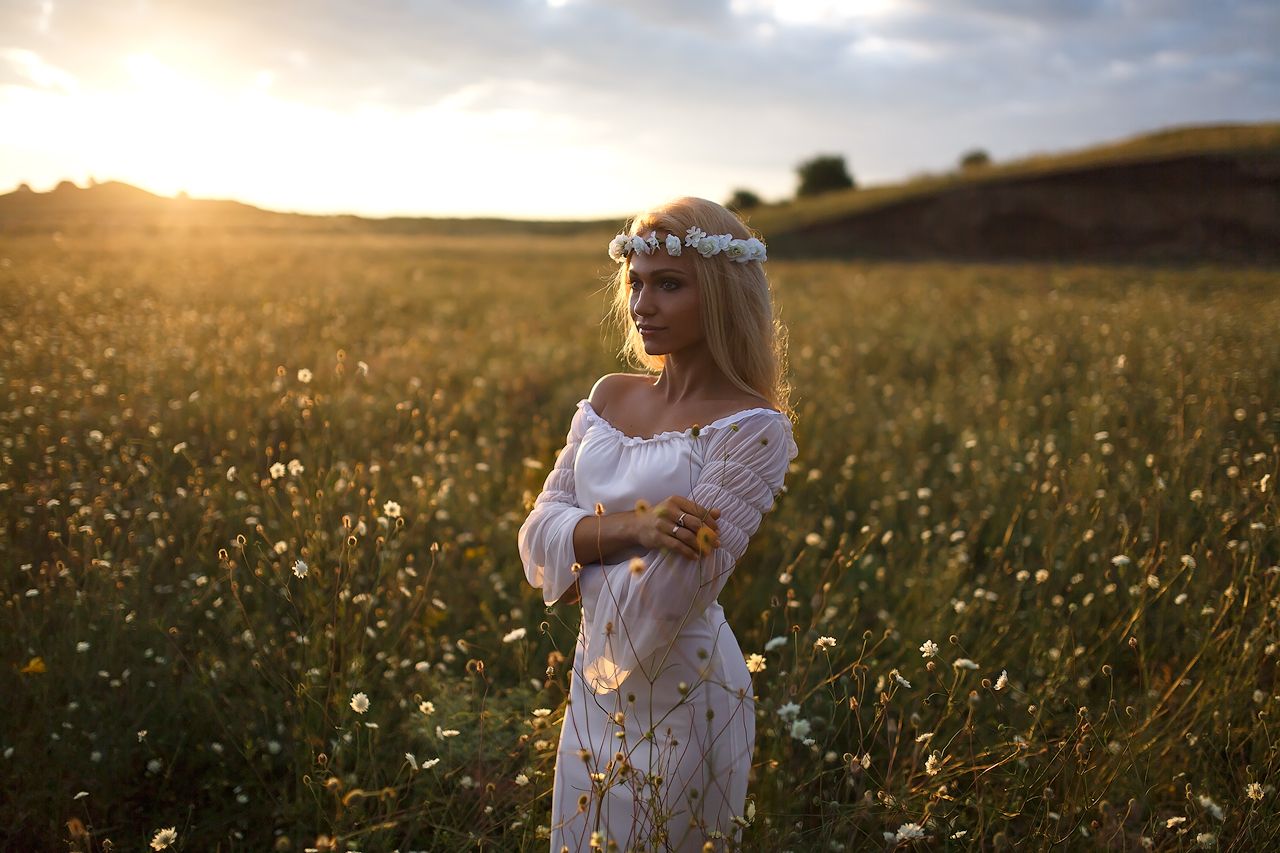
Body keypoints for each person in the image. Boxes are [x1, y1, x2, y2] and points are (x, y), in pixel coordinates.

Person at [518, 196, 798, 852]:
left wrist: (581, 545)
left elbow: (669, 594)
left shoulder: (754, 428)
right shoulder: (610, 394)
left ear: (723, 296)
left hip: (685, 695)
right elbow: (536, 534)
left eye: (669, 285)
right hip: (589, 687)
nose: (643, 304)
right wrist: (636, 528)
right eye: (636, 283)